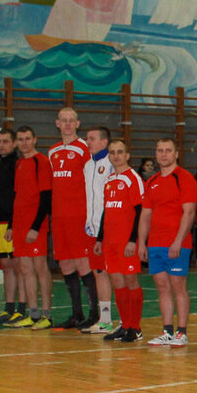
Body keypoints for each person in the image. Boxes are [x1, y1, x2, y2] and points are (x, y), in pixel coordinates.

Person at [139, 139, 197, 346]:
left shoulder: (184, 178)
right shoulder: (152, 181)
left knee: (178, 286)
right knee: (162, 287)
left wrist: (178, 241)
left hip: (177, 244)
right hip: (155, 243)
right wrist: (141, 242)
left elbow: (189, 212)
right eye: (160, 150)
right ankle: (167, 331)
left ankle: (182, 332)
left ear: (176, 154)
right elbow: (146, 214)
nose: (164, 154)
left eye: (168, 150)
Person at [49, 108, 99, 330]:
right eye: (64, 120)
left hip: (79, 215)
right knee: (65, 264)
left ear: (78, 124)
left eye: (71, 121)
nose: (67, 124)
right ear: (57, 123)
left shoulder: (84, 149)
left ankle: (94, 314)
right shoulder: (52, 151)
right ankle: (76, 314)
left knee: (82, 262)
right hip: (59, 216)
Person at [95, 140, 145, 343]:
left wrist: (133, 240)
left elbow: (140, 211)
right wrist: (100, 239)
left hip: (127, 242)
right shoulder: (109, 180)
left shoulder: (133, 178)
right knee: (117, 283)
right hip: (110, 242)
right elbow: (106, 211)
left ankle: (136, 328)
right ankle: (125, 325)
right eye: (112, 152)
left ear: (127, 155)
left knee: (131, 281)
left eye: (120, 152)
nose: (116, 156)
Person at [6, 126, 53, 330]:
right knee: (25, 269)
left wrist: (35, 226)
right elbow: (17, 196)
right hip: (19, 226)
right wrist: (11, 226)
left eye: (27, 138)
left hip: (35, 226)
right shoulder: (19, 164)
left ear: (35, 140)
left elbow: (46, 196)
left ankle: (46, 315)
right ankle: (33, 315)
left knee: (40, 268)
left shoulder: (41, 161)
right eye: (21, 139)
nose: (24, 143)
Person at [0, 128, 26, 326]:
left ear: (14, 144)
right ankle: (9, 308)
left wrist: (13, 224)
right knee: (5, 266)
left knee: (19, 267)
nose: (2, 145)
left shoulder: (18, 165)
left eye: (5, 141)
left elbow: (17, 196)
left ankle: (22, 309)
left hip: (13, 224)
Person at [81, 126, 115, 335]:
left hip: (109, 230)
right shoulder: (87, 165)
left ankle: (129, 322)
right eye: (87, 139)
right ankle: (106, 320)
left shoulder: (111, 164)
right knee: (99, 273)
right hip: (92, 229)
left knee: (116, 275)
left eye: (92, 139)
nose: (88, 142)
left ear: (104, 142)